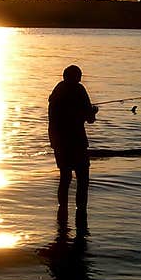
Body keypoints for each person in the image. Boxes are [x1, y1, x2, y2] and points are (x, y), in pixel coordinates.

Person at [48, 65, 98, 227]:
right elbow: (89, 118)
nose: (81, 78)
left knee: (65, 177)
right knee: (83, 178)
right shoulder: (79, 90)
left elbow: (54, 119)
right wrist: (93, 111)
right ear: (75, 77)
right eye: (79, 75)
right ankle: (81, 212)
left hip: (58, 142)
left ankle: (62, 213)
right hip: (76, 141)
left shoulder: (56, 93)